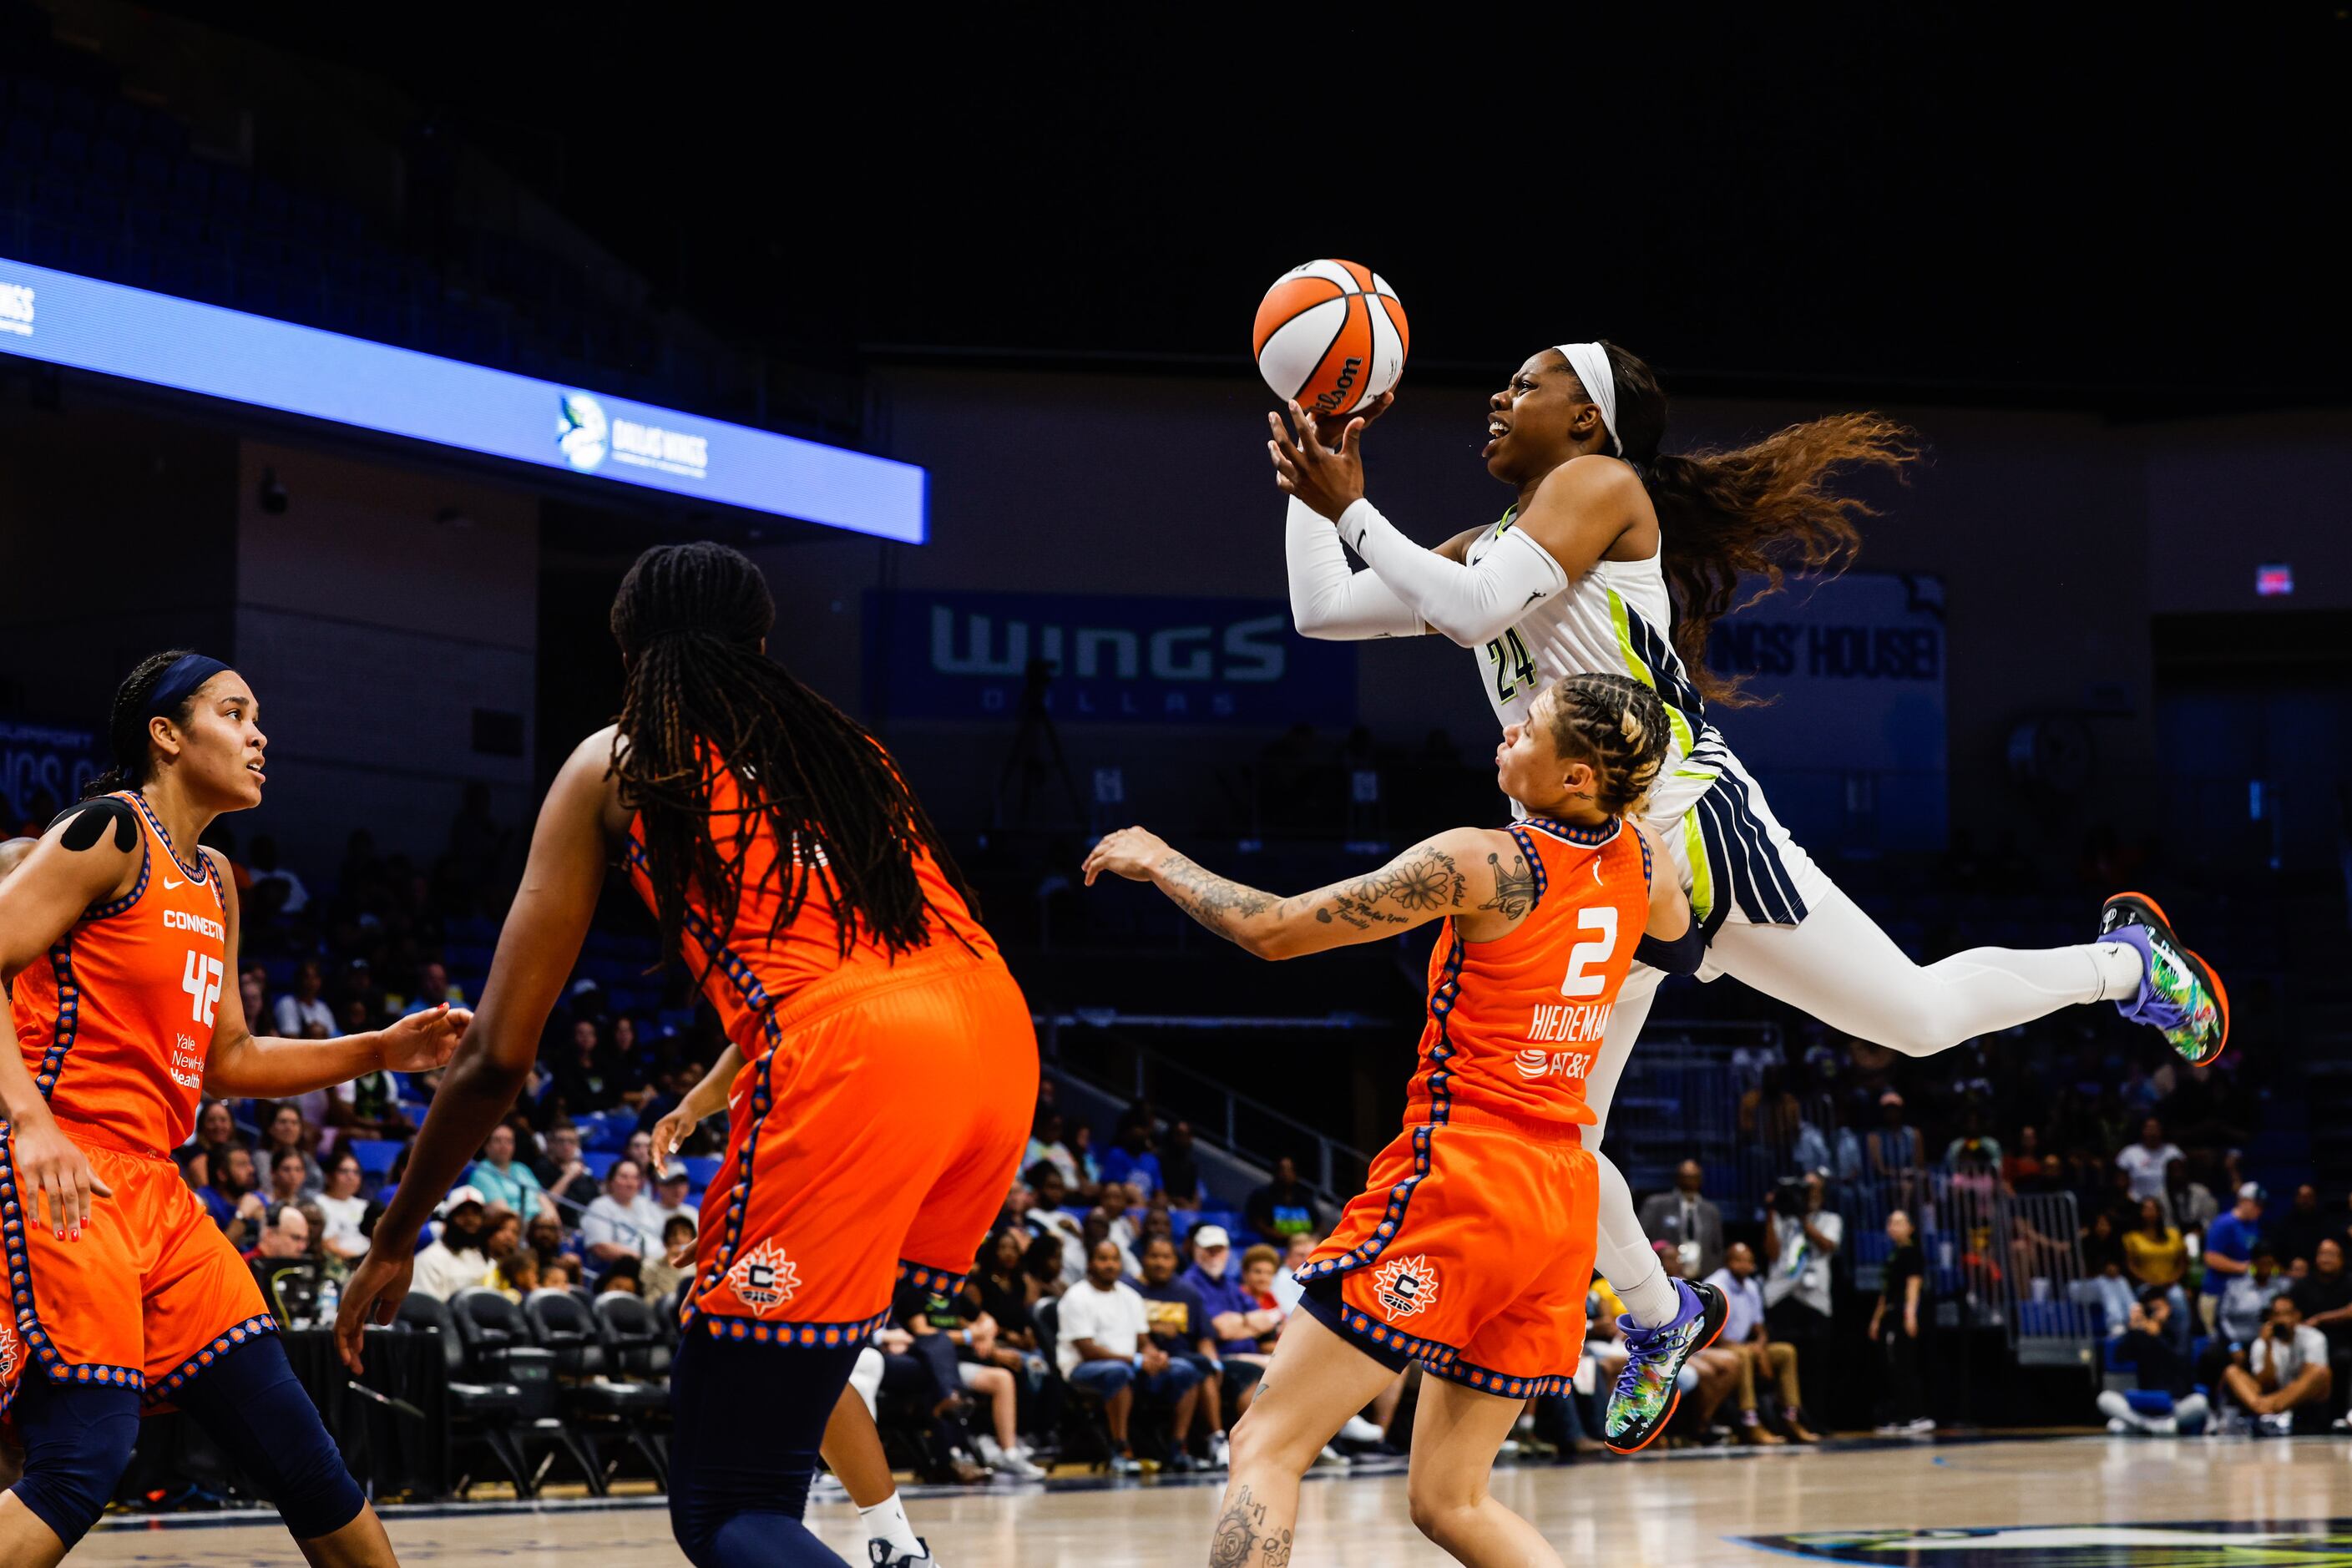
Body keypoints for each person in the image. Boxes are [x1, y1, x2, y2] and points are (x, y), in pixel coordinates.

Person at [1269, 343, 2231, 1441]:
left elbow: (1479, 608)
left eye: (1527, 382)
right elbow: (1323, 611)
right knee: (1560, 1147)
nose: (1497, 395)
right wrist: (1315, 460)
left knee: (1911, 1020)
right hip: (1595, 865)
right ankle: (1662, 1312)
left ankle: (2125, 964)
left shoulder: (1600, 487)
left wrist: (1353, 508)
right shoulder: (1488, 541)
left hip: (1692, 827)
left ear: (1589, 420)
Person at [336, 543, 1036, 1568]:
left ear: (631, 655)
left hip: (858, 1068)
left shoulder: (623, 760)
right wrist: (720, 1088)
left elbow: (494, 1053)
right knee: (798, 1396)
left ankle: (872, 1502)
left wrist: (397, 1231)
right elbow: (851, 972)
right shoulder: (849, 755)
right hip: (995, 1040)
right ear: (760, 644)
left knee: (729, 1506)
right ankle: (888, 1529)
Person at [1086, 671, 1717, 1565]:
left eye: (1528, 726)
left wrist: (1158, 859)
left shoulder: (1483, 862)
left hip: (1466, 1174)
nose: (1508, 732)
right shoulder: (1646, 860)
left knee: (1265, 1446)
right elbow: (1679, 949)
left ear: (1577, 776)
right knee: (1451, 1502)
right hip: (1561, 1201)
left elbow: (1272, 929)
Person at [0, 650, 464, 1565]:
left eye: (258, 718)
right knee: (79, 1464)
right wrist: (33, 1123)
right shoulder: (108, 833)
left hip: (161, 1196)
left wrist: (378, 1049)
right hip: (66, 1174)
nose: (260, 735)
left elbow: (232, 1059)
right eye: (235, 712)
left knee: (308, 1463)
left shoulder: (214, 879)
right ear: (166, 737)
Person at [1057, 1239, 1200, 1476]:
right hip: (1083, 1369)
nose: (1110, 1265)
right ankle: (1120, 1450)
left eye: (1114, 1259)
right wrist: (1135, 1360)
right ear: (1090, 1263)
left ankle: (1177, 1449)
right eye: (1103, 1259)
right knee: (1117, 1372)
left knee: (1184, 1369)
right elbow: (1087, 1349)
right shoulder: (1076, 1296)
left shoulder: (1130, 1296)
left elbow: (1143, 1341)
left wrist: (1156, 1356)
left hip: (1131, 1365)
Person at [1703, 1242, 1813, 1444]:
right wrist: (1751, 1350)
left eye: (1749, 1261)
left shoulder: (1752, 1286)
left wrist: (1761, 1348)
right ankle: (1750, 1422)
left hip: (1745, 1346)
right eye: (1740, 1261)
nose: (1745, 1265)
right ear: (1728, 1263)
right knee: (1744, 1355)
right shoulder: (1715, 1285)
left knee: (1786, 1352)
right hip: (1718, 1347)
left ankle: (1791, 1418)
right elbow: (1711, 1332)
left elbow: (1759, 1327)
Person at [1133, 1233, 1227, 1469]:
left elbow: (1204, 1338)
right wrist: (1153, 1328)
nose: (1160, 1262)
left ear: (1175, 1261)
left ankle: (1214, 1441)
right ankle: (1212, 1439)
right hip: (1139, 1359)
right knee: (1196, 1367)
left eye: (1166, 1257)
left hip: (1183, 1356)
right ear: (1143, 1259)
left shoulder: (1187, 1293)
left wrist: (1215, 1363)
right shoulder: (1129, 1289)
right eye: (1154, 1256)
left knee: (1208, 1367)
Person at [1760, 1171, 1840, 1426]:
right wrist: (1773, 1211)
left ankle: (1816, 1419)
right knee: (1783, 1364)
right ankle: (1784, 1421)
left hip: (1815, 1300)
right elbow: (1771, 1253)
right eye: (1804, 1190)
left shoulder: (1830, 1219)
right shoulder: (1781, 1218)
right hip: (1782, 1297)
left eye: (1813, 1190)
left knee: (1816, 1365)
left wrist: (1803, 1219)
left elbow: (1828, 1245)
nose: (1808, 1195)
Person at [2097, 1289, 2208, 1435]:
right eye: (2150, 1309)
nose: (2154, 1313)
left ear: (2169, 1308)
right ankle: (2150, 1426)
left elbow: (2180, 1361)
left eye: (2158, 1308)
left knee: (2200, 1402)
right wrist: (2131, 1329)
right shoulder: (2140, 1334)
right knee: (2105, 1399)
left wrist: (2157, 1336)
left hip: (2175, 1405)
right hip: (2144, 1407)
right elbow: (2120, 1357)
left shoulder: (2179, 1332)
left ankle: (2141, 1426)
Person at [2221, 1295, 2334, 1434]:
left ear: (2297, 1315)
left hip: (2302, 1399)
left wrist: (2272, 1401)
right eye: (2277, 1315)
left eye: (2286, 1314)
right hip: (2273, 1393)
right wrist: (2268, 1347)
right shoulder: (2262, 1342)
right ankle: (2268, 1411)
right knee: (2232, 1371)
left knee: (2321, 1372)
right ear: (2271, 1318)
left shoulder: (2314, 1337)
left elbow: (2310, 1378)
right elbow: (2264, 1384)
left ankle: (2266, 1409)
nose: (2282, 1319)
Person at [1869, 1210, 1930, 1434]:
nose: (1893, 1226)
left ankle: (1915, 1415)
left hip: (1903, 1314)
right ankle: (1899, 1414)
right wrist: (1876, 1320)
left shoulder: (1912, 1253)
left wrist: (1910, 1314)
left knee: (1906, 1364)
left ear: (1910, 1228)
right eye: (1890, 1222)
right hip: (1890, 1315)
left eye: (1898, 1222)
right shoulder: (1893, 1255)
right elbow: (1886, 1292)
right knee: (1892, 1364)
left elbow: (1913, 1285)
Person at [2123, 1196, 2191, 1351]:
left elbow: (2183, 1263)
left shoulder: (2173, 1235)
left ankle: (2181, 1352)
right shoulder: (2132, 1238)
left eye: (2153, 1209)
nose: (2150, 1212)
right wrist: (2151, 1282)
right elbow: (2131, 1266)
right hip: (2145, 1285)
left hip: (2170, 1284)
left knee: (2178, 1298)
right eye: (2146, 1209)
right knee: (2154, 1306)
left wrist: (2173, 1279)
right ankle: (2156, 1351)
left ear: (2160, 1212)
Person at [1637, 1161, 1724, 1281]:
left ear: (1700, 1180)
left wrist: (1712, 1275)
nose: (1689, 1180)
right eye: (1686, 1176)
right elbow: (1641, 1237)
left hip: (1702, 1277)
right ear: (1678, 1178)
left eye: (1694, 1177)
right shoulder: (1657, 1204)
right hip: (1665, 1276)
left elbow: (1717, 1249)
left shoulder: (1710, 1211)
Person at [2201, 1182, 2267, 1334]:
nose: (2260, 1210)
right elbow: (2211, 1258)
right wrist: (2242, 1267)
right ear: (2243, 1201)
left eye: (2262, 1206)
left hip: (2241, 1293)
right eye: (2257, 1205)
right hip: (2217, 1293)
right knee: (2220, 1340)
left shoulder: (2253, 1224)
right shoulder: (2224, 1224)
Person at [409, 1190, 497, 1302]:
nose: (470, 1220)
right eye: (463, 1213)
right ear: (449, 1219)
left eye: (476, 1214)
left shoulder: (487, 1262)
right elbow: (425, 1310)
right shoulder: (429, 1260)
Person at [246, 1203, 322, 1328]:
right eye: (296, 1238)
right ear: (270, 1235)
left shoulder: (301, 1269)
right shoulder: (244, 1265)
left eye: (305, 1240)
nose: (302, 1247)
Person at [579, 1157, 665, 1264]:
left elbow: (664, 1237)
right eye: (624, 1177)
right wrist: (643, 1260)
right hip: (627, 1267)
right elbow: (601, 1247)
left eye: (635, 1178)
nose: (630, 1183)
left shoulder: (646, 1204)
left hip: (660, 1264)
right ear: (611, 1181)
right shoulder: (600, 1206)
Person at [467, 1122, 553, 1224]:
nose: (504, 1145)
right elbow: (504, 1215)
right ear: (487, 1146)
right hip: (516, 1231)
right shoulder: (481, 1173)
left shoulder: (521, 1169)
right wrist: (539, 1228)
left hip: (540, 1227)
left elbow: (544, 1200)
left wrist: (552, 1223)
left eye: (509, 1141)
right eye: (498, 1140)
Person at [1242, 1156, 1320, 1246]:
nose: (1286, 1174)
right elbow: (1258, 1224)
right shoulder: (1262, 1196)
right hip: (1272, 1245)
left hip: (1304, 1244)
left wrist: (1313, 1238)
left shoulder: (1305, 1198)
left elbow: (1318, 1224)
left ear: (1296, 1174)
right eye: (1282, 1170)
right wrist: (1288, 1237)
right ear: (1275, 1172)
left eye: (1290, 1170)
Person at [314, 1148, 371, 1263]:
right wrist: (361, 1262)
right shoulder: (319, 1204)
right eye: (344, 1171)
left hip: (367, 1262)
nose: (351, 1176)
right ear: (329, 1177)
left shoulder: (364, 1205)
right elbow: (328, 1245)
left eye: (356, 1172)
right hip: (343, 1264)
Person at [2114, 1118, 2186, 1205]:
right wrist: (2128, 1200)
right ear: (2142, 1131)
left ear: (2161, 1130)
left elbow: (2181, 1178)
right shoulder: (2129, 1152)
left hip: (2168, 1204)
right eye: (2149, 1128)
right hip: (2137, 1202)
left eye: (2155, 1128)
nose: (2152, 1132)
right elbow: (2121, 1181)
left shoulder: (2173, 1151)